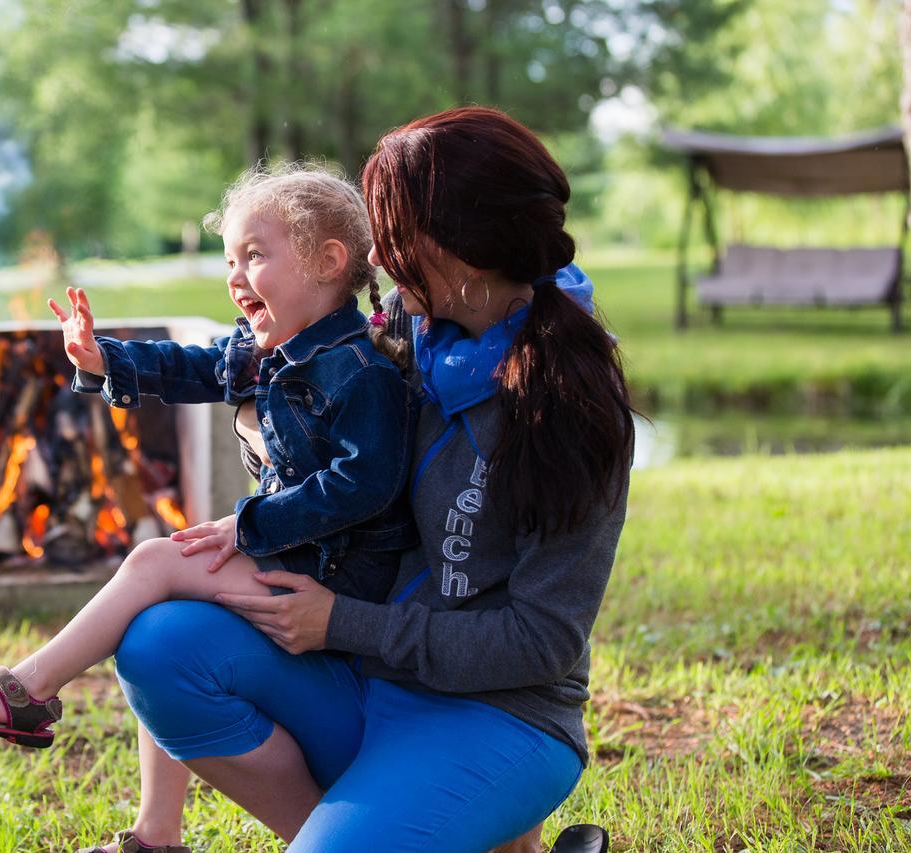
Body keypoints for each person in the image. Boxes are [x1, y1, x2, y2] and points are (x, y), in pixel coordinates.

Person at [96, 106, 635, 852]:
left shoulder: (571, 408)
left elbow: (542, 641)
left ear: (462, 253)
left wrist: (342, 622)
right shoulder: (413, 334)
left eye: (393, 231)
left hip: (499, 713)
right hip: (368, 678)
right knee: (161, 644)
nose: (373, 252)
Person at [0, 166, 419, 761]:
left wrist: (248, 525)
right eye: (228, 260)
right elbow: (190, 366)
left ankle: (28, 689)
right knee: (163, 618)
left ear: (328, 262)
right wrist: (104, 360)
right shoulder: (267, 351)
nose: (235, 277)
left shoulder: (359, 372)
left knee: (153, 560)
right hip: (298, 551)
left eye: (253, 256)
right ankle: (155, 833)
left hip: (337, 578)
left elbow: (364, 485)